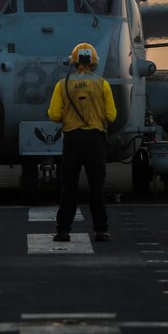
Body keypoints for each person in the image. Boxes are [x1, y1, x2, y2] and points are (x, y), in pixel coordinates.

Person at [48, 42, 117, 243]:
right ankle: (101, 230)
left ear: (74, 61)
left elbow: (53, 114)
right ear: (94, 62)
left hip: (72, 139)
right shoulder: (102, 83)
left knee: (69, 187)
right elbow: (111, 116)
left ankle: (63, 231)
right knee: (97, 187)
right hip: (95, 139)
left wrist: (68, 116)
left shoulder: (63, 84)